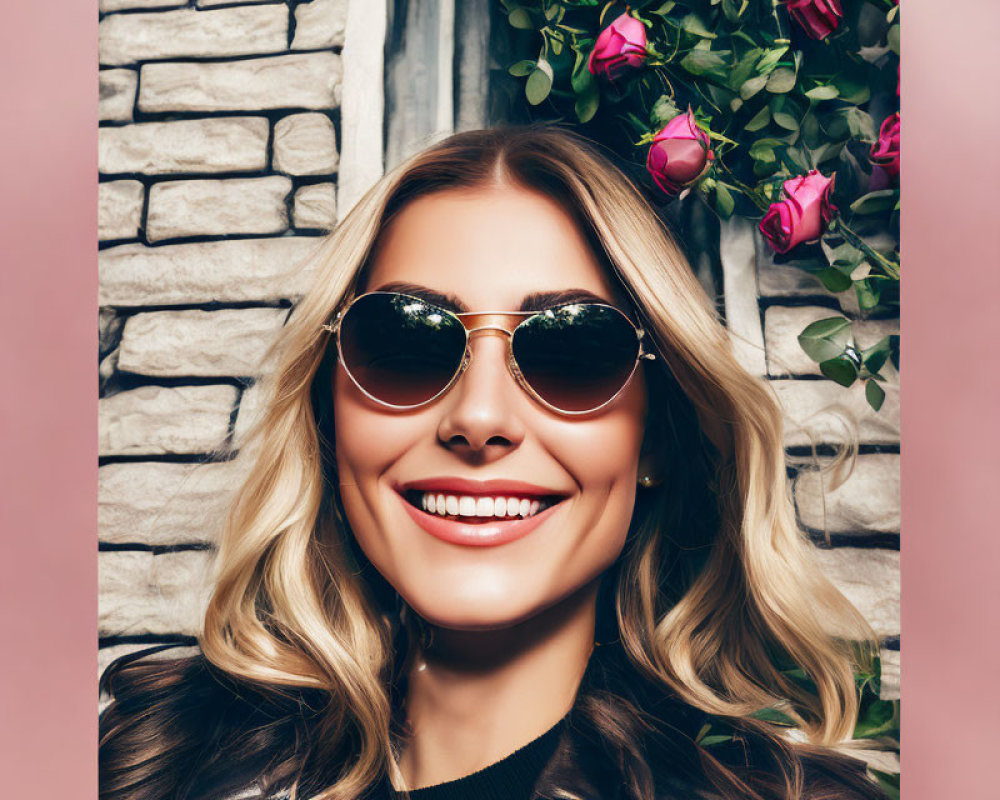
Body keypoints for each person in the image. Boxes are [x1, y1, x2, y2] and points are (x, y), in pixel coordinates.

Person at [99, 126, 889, 800]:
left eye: (574, 350)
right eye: (406, 344)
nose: (477, 418)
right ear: (329, 416)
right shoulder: (150, 761)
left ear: (654, 437)